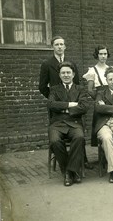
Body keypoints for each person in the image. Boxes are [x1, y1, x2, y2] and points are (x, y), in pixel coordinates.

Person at [39, 36, 93, 169]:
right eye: (56, 44)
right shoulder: (47, 64)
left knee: (78, 132)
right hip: (58, 106)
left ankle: (82, 160)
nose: (59, 47)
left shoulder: (71, 63)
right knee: (58, 137)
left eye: (61, 44)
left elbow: (78, 84)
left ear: (65, 47)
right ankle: (68, 164)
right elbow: (42, 86)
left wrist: (74, 100)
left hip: (75, 103)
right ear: (53, 47)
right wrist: (56, 99)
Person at [47, 61, 89, 186]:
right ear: (59, 75)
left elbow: (84, 107)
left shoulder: (80, 89)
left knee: (79, 137)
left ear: (73, 74)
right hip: (57, 124)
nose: (66, 75)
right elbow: (50, 104)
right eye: (63, 73)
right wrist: (70, 105)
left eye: (68, 72)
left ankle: (70, 171)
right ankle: (68, 171)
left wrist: (63, 109)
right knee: (54, 141)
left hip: (74, 123)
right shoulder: (54, 89)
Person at [83, 45, 110, 150]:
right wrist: (98, 99)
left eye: (105, 54)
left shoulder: (110, 69)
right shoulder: (92, 70)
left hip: (111, 100)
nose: (103, 56)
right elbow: (90, 90)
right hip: (100, 101)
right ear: (97, 55)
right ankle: (102, 152)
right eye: (101, 54)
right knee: (101, 125)